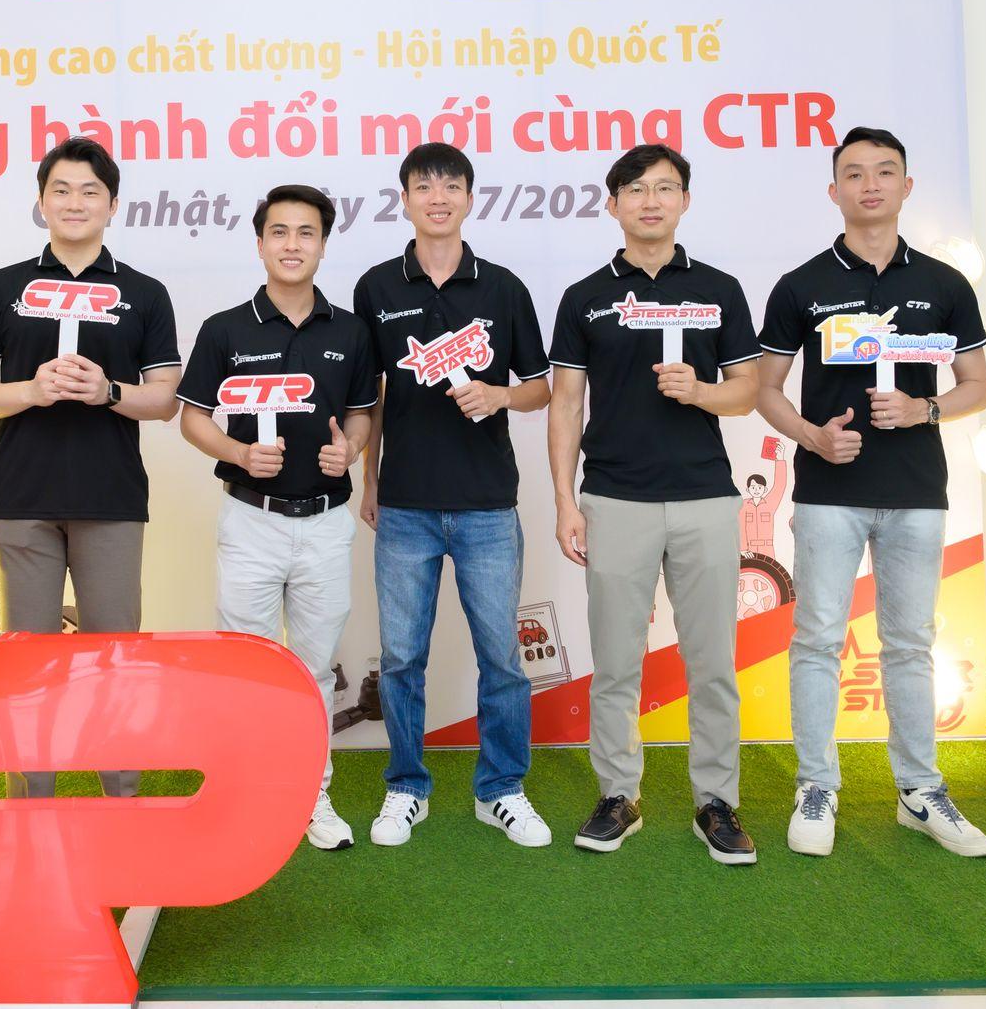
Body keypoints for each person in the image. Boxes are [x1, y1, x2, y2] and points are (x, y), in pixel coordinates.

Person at [755, 125, 986, 858]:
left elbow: (976, 386)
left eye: (885, 171)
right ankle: (816, 785)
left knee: (911, 644)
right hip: (829, 492)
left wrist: (924, 409)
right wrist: (813, 436)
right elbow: (765, 389)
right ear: (834, 191)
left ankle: (920, 790)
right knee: (818, 638)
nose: (870, 184)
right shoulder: (801, 285)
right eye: (854, 173)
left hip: (918, 491)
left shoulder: (945, 284)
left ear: (906, 186)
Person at [547, 145, 762, 864]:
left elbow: (747, 390)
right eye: (636, 189)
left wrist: (700, 391)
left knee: (712, 663)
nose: (650, 200)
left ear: (685, 201)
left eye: (665, 188)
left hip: (704, 496)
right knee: (615, 663)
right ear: (612, 204)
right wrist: (565, 500)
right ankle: (619, 794)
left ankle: (716, 801)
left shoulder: (720, 289)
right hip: (614, 498)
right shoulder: (584, 296)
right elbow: (565, 403)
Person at [0, 137, 181, 799]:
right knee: (27, 663)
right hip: (21, 499)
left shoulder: (143, 292)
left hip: (111, 500)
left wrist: (107, 391)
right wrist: (32, 389)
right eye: (61, 190)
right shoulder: (2, 288)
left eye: (90, 191)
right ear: (41, 201)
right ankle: (30, 806)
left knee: (114, 655)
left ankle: (121, 801)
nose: (75, 202)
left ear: (113, 204)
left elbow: (165, 399)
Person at [353, 142, 553, 848]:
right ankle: (407, 787)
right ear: (404, 199)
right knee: (401, 659)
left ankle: (501, 789)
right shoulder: (377, 287)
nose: (437, 197)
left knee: (501, 658)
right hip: (405, 503)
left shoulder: (502, 288)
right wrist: (370, 479)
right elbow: (369, 396)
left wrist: (499, 395)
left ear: (470, 197)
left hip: (487, 504)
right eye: (423, 186)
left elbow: (541, 388)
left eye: (450, 185)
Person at [176, 184, 378, 850]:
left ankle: (311, 793)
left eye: (306, 232)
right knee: (247, 668)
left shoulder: (350, 331)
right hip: (250, 521)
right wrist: (237, 452)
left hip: (325, 521)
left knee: (314, 670)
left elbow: (363, 413)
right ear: (261, 242)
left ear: (323, 244)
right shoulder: (224, 329)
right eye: (280, 232)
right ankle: (248, 793)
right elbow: (193, 418)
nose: (293, 245)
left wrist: (351, 448)